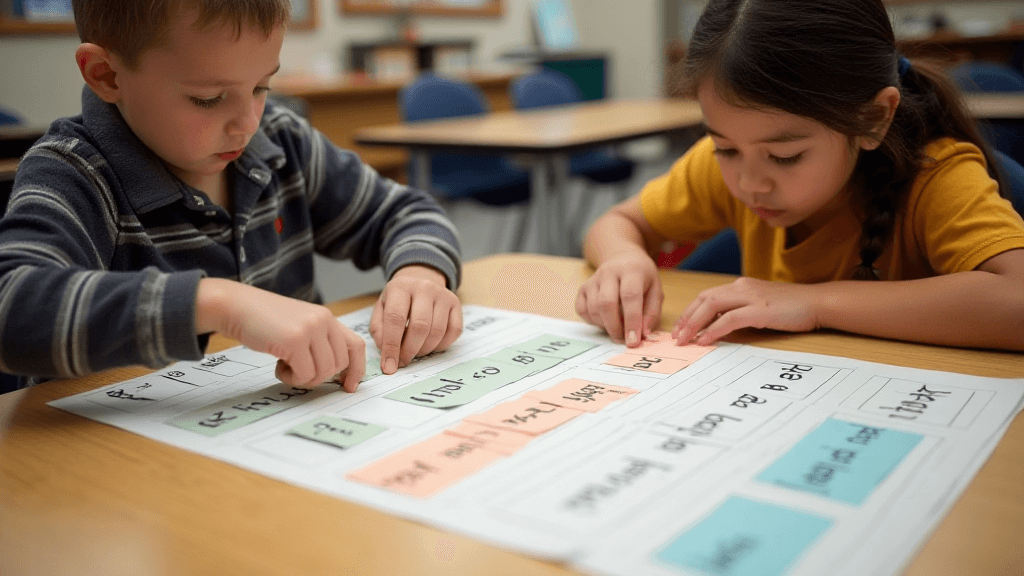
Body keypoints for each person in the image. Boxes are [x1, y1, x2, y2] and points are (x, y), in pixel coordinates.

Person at [0, 0, 464, 392]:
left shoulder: (281, 142)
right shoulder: (75, 171)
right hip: (115, 466)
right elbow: (12, 313)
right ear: (106, 75)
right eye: (208, 98)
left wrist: (419, 274)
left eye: (262, 86)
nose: (247, 122)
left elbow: (406, 211)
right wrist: (219, 304)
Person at [576, 0, 1024, 352]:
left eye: (786, 156)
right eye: (725, 147)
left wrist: (815, 303)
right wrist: (622, 260)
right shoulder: (722, 165)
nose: (750, 182)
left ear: (872, 119)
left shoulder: (936, 177)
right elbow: (618, 222)